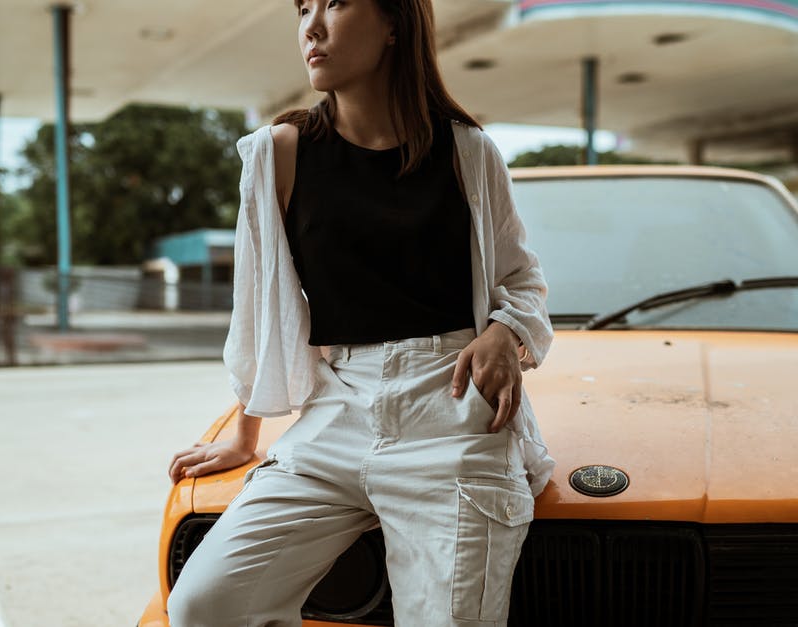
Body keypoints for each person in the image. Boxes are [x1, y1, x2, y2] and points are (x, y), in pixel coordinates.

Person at [165, 0, 555, 625]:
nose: (311, 27)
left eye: (337, 3)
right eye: (302, 8)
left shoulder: (469, 153)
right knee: (204, 606)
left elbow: (522, 281)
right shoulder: (278, 153)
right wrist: (245, 432)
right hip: (334, 414)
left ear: (396, 22)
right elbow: (260, 307)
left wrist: (506, 331)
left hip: (451, 415)